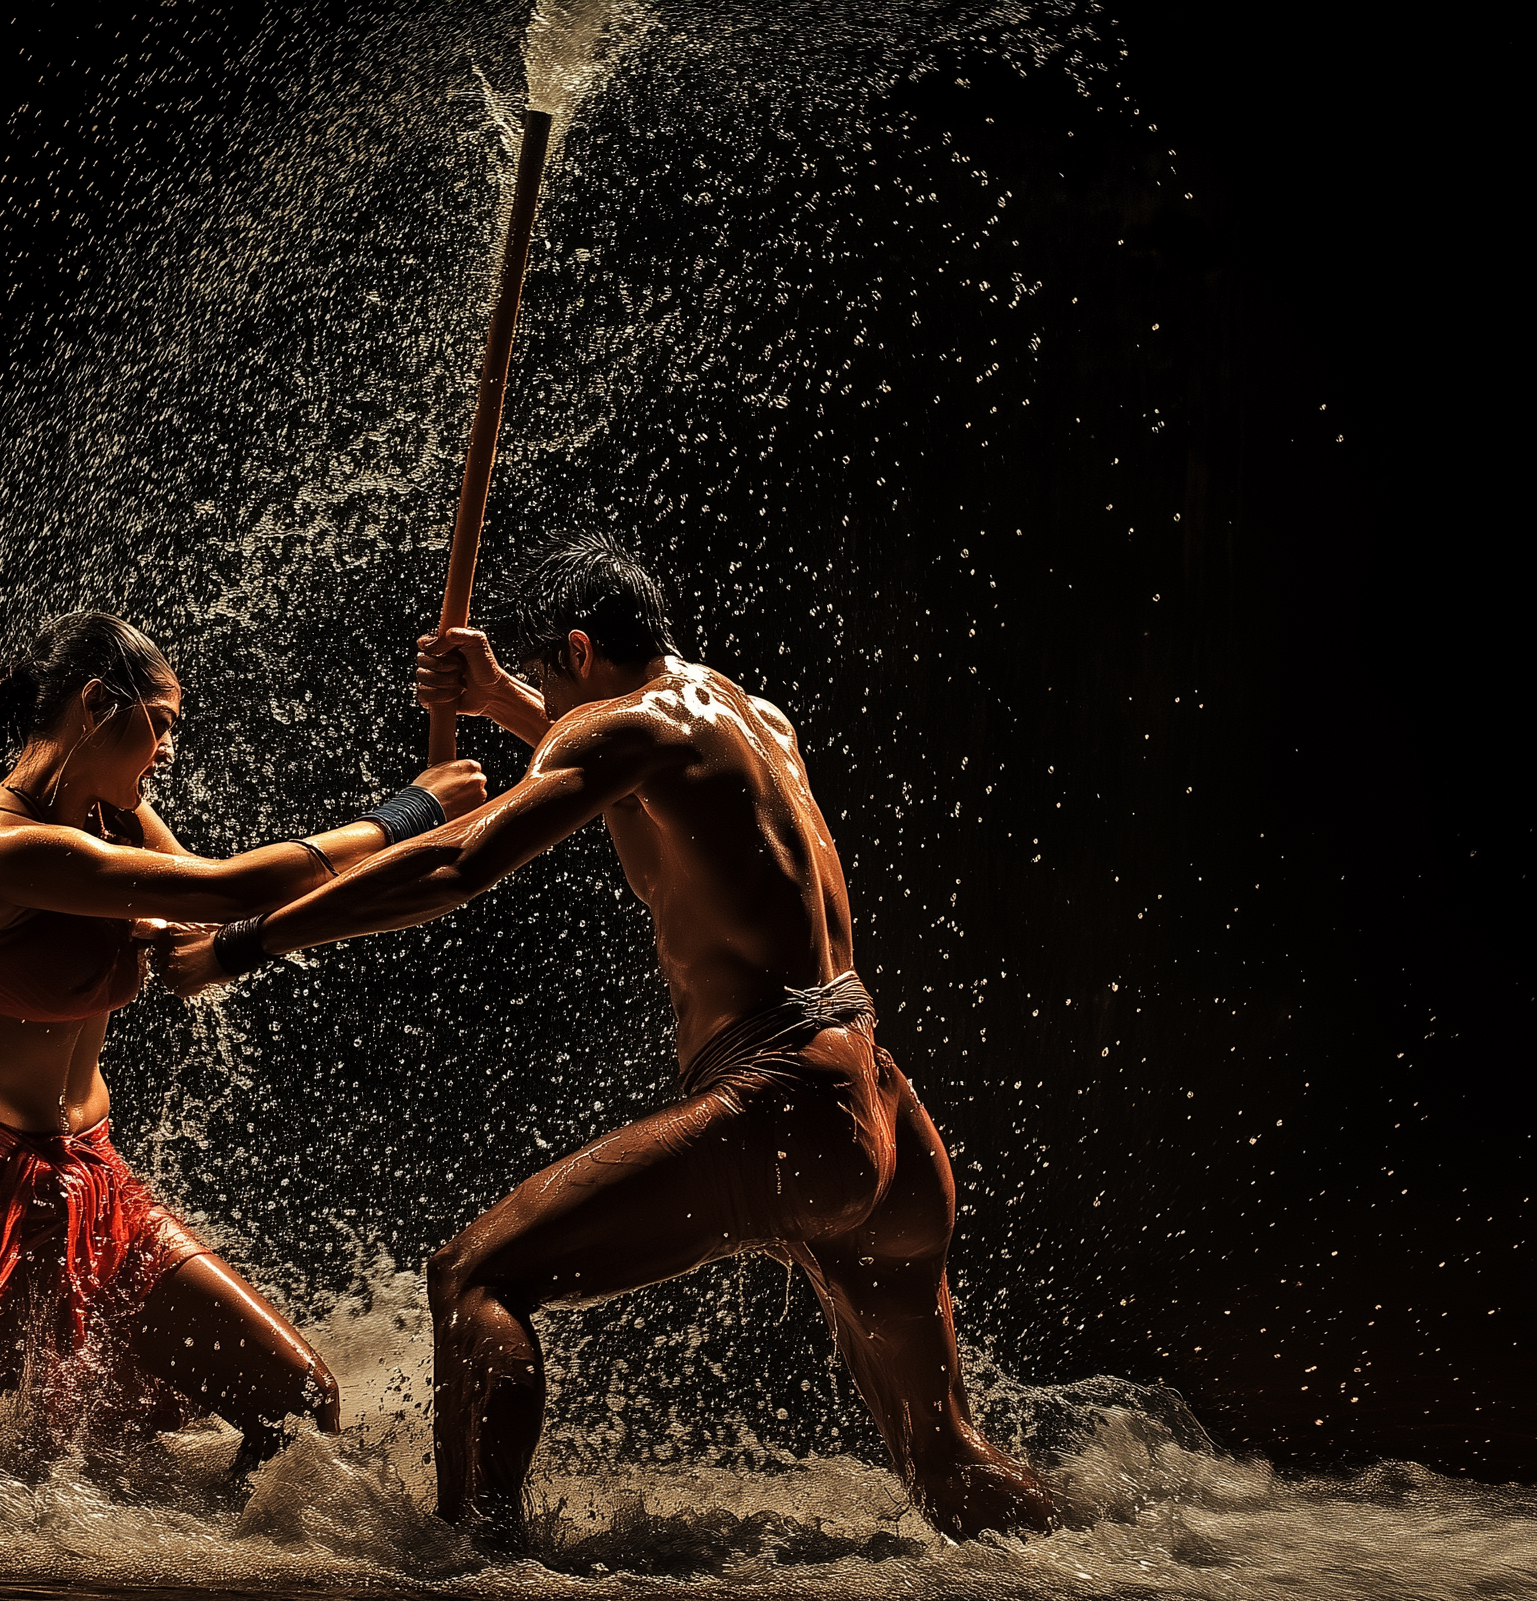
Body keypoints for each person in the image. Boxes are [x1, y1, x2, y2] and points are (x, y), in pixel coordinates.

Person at [168, 537, 1054, 1540]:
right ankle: (1101, 1581)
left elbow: (459, 862)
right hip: (885, 1120)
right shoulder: (749, 716)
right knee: (947, 1462)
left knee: (475, 1277)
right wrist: (505, 695)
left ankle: (476, 1589)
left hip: (787, 1105)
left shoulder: (627, 731)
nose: (546, 699)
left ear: (580, 652)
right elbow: (619, 757)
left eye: (548, 674)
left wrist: (240, 943)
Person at [0, 610, 486, 1475]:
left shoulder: (123, 819)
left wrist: (222, 946)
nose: (164, 754)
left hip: (89, 1179)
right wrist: (415, 809)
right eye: (159, 726)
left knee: (300, 1403)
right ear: (94, 706)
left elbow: (229, 908)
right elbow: (233, 885)